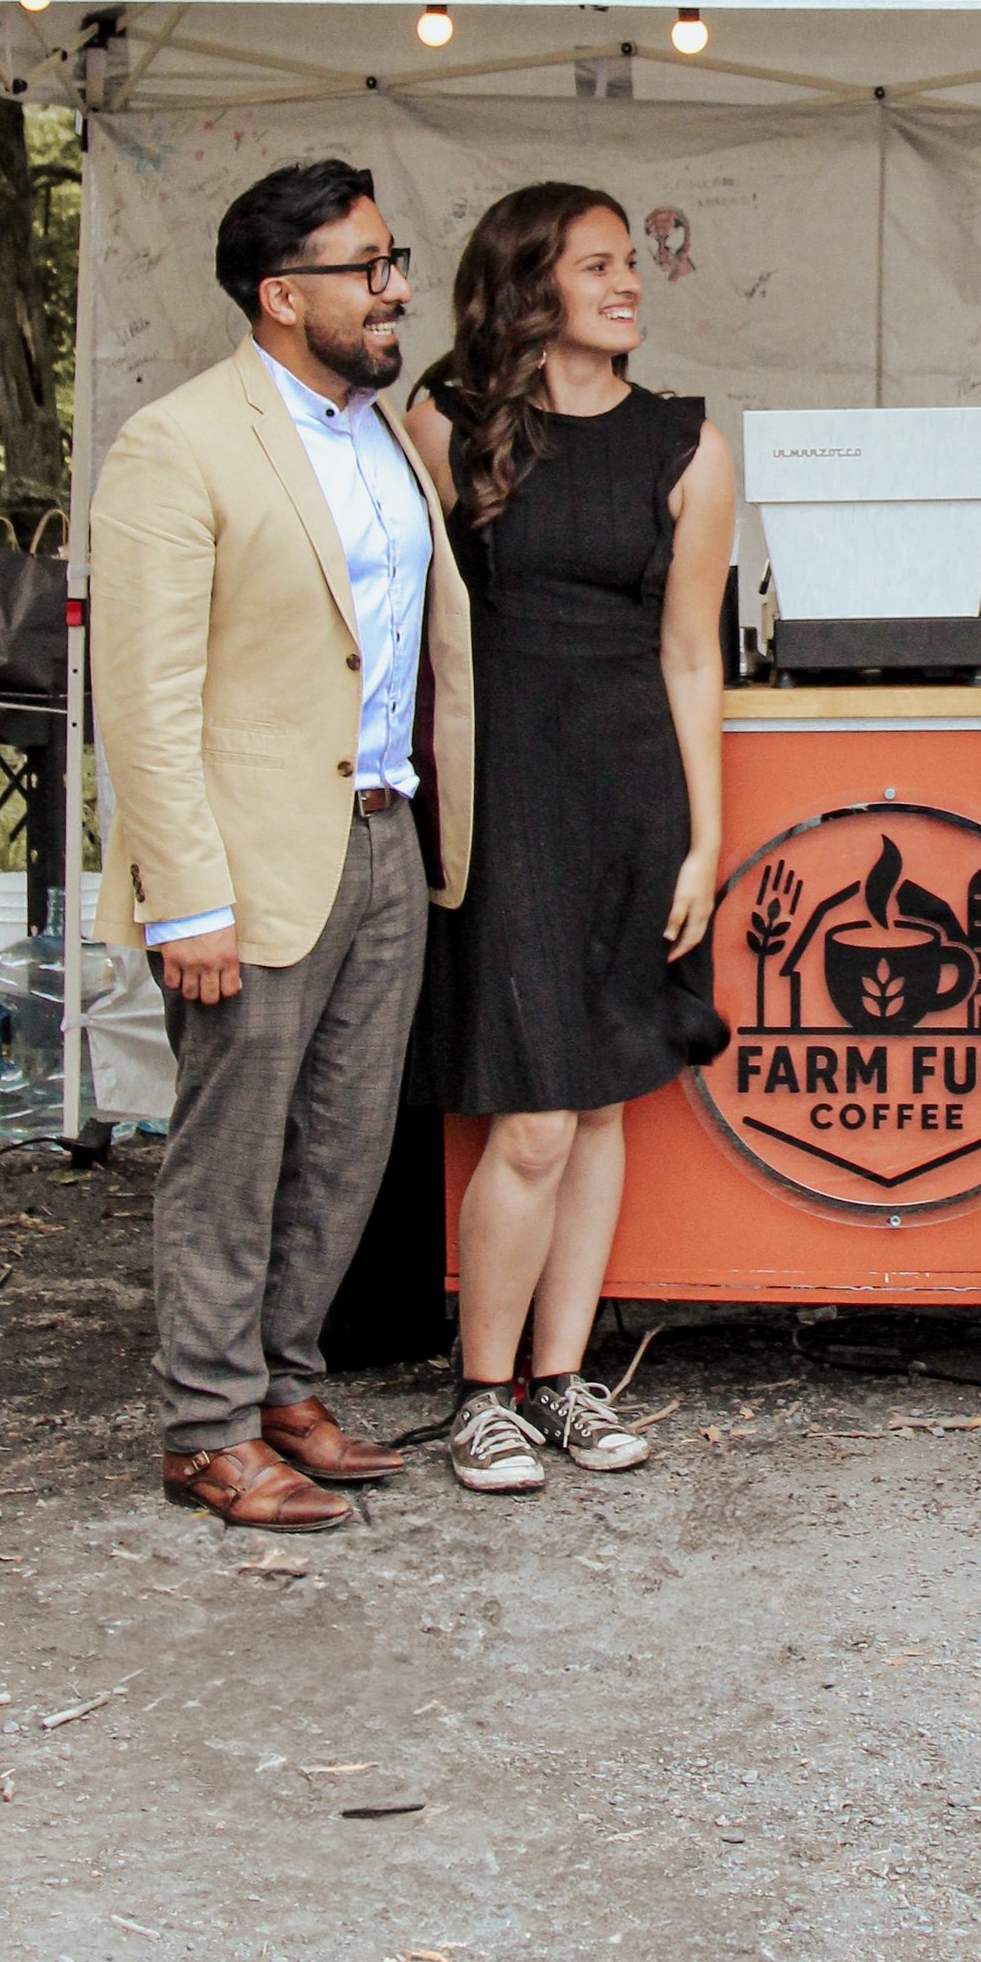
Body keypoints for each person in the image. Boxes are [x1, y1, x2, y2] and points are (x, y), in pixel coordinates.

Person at [91, 162, 474, 1531]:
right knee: (231, 1153)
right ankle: (205, 1424)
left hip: (385, 835)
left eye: (393, 259)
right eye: (368, 266)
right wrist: (182, 896)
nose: (395, 288)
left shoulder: (386, 435)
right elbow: (141, 698)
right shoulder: (177, 443)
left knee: (343, 1144)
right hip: (248, 863)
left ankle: (285, 1386)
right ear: (281, 293)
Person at [409, 185, 736, 1496]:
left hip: (631, 789)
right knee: (536, 1114)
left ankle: (560, 1379)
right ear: (529, 285)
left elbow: (694, 655)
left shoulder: (690, 443)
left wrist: (707, 841)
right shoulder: (448, 417)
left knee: (600, 1100)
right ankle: (480, 1393)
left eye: (629, 263)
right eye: (598, 264)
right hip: (505, 791)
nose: (629, 282)